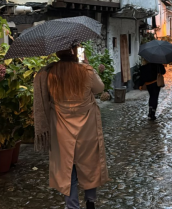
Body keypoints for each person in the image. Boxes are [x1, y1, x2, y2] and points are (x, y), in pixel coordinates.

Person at [33, 46, 110, 209]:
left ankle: (72, 205)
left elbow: (44, 99)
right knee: (90, 164)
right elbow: (99, 88)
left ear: (58, 53)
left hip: (61, 129)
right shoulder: (85, 70)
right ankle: (90, 201)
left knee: (67, 167)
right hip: (87, 127)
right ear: (74, 52)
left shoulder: (49, 73)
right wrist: (87, 65)